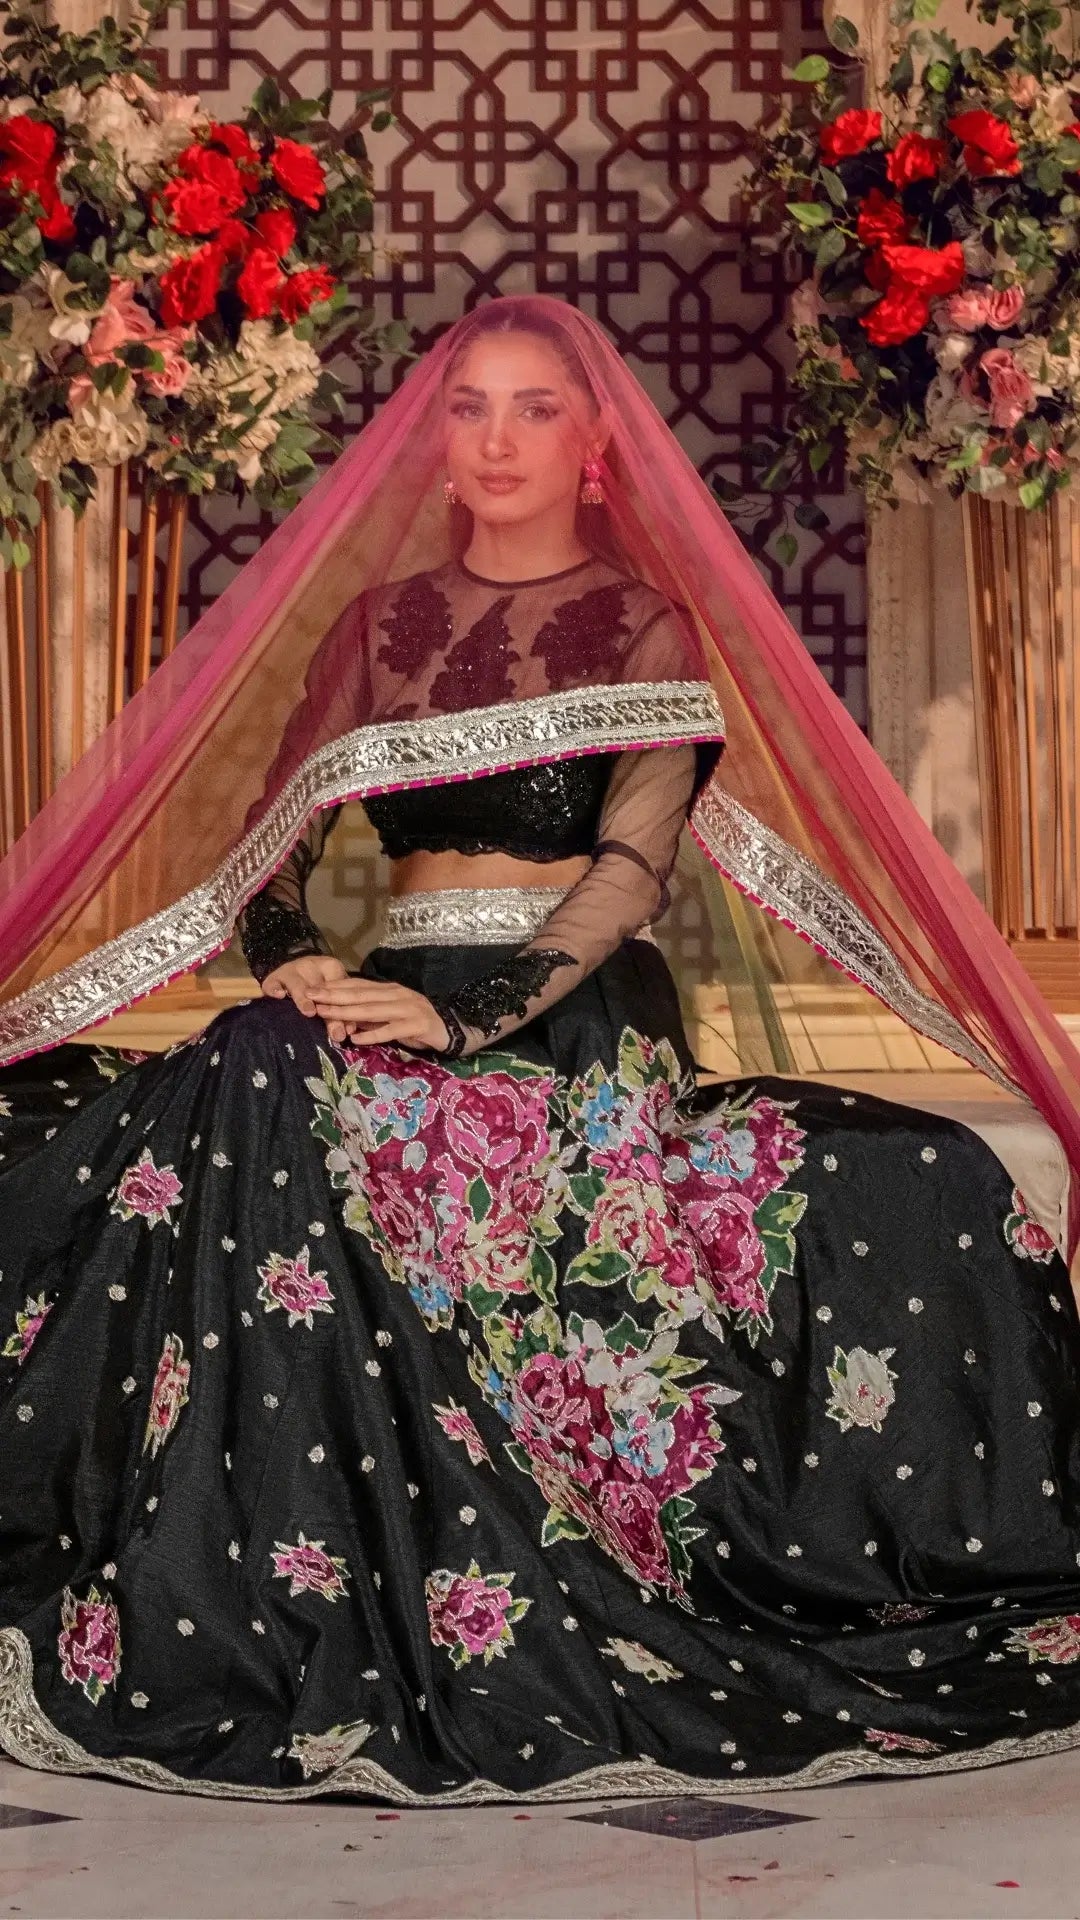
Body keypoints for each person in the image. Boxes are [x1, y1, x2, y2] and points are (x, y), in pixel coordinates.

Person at [3, 296, 1080, 1807]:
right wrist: (296, 958)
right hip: (384, 1000)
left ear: (596, 451)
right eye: (469, 409)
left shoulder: (645, 625)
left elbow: (630, 876)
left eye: (534, 410)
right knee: (242, 1066)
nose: (497, 438)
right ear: (433, 447)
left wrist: (462, 1017)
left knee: (928, 1175)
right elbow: (263, 860)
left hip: (570, 1017)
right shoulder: (375, 631)